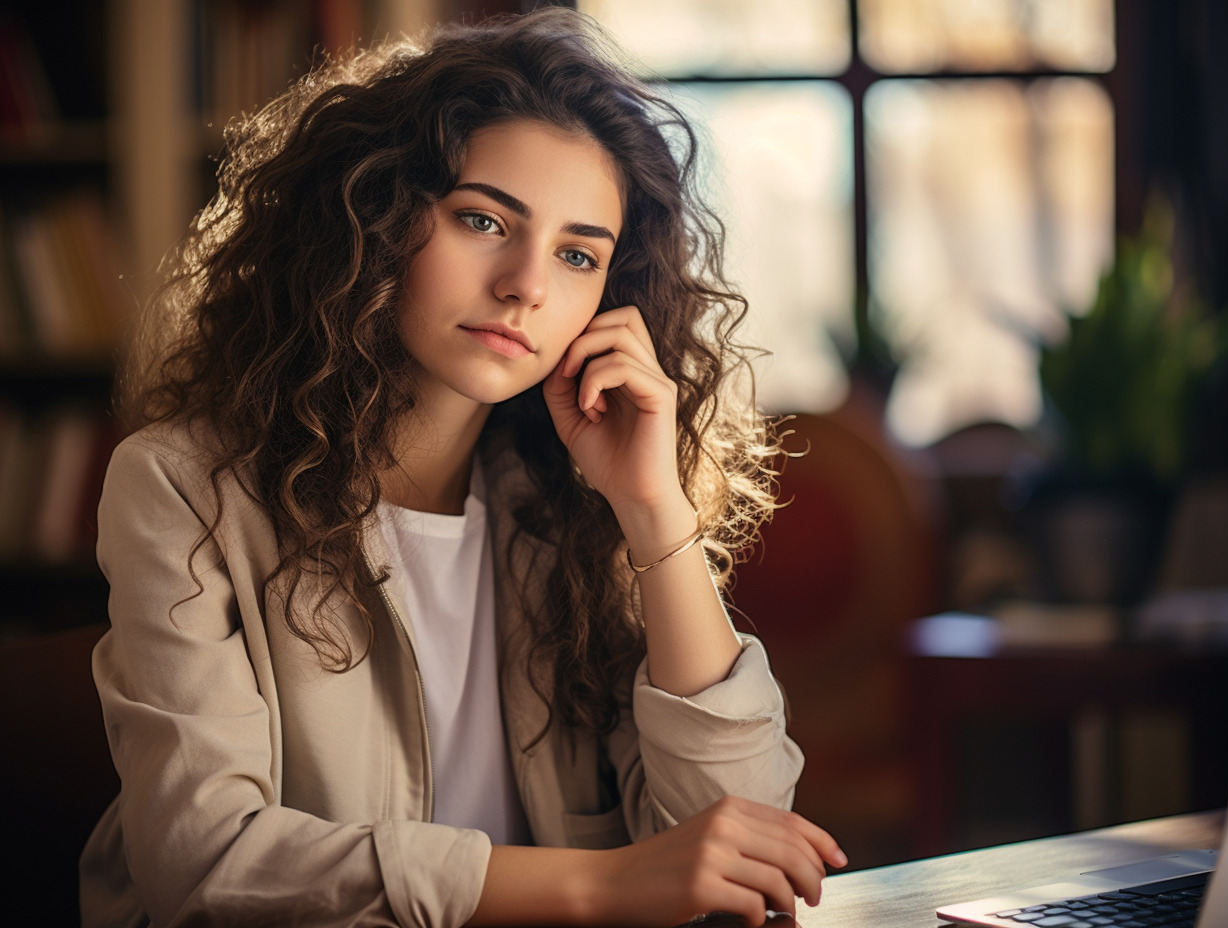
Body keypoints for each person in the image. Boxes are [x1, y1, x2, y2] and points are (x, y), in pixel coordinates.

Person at [79, 8, 846, 927]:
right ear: (375, 216)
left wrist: (653, 511)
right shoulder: (182, 487)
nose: (527, 283)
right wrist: (605, 886)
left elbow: (745, 836)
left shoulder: (568, 501)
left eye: (576, 254)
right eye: (484, 220)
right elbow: (205, 863)